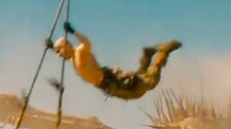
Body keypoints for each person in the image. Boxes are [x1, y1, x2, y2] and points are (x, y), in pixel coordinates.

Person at [51, 21, 182, 100]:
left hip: (111, 79)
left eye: (60, 51)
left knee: (149, 83)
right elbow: (68, 57)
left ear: (66, 46)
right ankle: (146, 55)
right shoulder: (72, 59)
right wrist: (51, 46)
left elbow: (86, 42)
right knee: (137, 90)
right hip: (108, 86)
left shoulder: (80, 51)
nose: (59, 55)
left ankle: (164, 52)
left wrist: (73, 31)